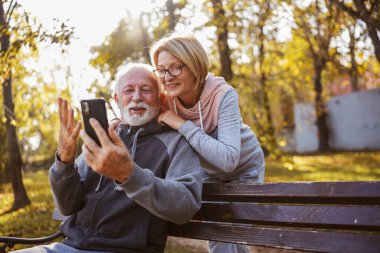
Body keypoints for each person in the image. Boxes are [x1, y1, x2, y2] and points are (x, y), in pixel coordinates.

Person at [12, 63, 203, 253]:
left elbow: (185, 206)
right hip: (68, 247)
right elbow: (66, 206)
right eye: (128, 90)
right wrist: (65, 161)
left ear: (160, 98)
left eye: (146, 90)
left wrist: (129, 175)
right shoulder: (102, 138)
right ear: (116, 99)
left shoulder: (176, 143)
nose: (136, 97)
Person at [150, 34, 265, 253]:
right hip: (208, 173)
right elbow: (137, 111)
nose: (167, 77)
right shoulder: (166, 100)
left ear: (194, 65)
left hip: (244, 168)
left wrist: (182, 124)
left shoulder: (223, 95)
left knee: (232, 233)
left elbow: (229, 159)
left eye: (175, 67)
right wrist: (119, 121)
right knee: (221, 233)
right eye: (162, 70)